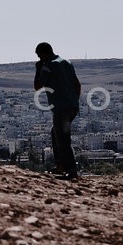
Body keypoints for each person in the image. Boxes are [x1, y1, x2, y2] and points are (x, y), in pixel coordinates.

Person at [33, 42, 81, 179]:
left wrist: (38, 69)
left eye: (39, 56)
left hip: (61, 108)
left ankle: (71, 171)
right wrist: (74, 102)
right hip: (72, 107)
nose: (38, 58)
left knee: (63, 139)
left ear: (43, 54)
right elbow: (77, 84)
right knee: (56, 133)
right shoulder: (67, 62)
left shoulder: (48, 65)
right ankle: (60, 165)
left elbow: (37, 86)